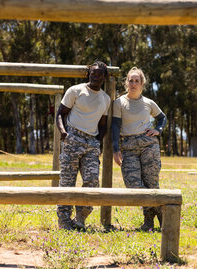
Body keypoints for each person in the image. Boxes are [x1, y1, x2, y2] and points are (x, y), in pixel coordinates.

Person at [55, 61, 111, 230]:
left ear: (104, 77)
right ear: (88, 74)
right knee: (67, 182)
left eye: (99, 73)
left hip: (91, 143)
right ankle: (64, 222)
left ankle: (80, 218)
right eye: (93, 73)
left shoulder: (106, 99)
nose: (95, 76)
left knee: (92, 180)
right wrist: (64, 133)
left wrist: (97, 142)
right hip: (73, 138)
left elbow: (103, 125)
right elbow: (60, 114)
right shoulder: (75, 90)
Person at [111, 67, 167, 231]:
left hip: (149, 145)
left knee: (151, 184)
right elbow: (115, 126)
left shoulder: (148, 103)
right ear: (126, 82)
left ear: (142, 84)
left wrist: (158, 130)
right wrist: (116, 149)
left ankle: (150, 223)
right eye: (131, 80)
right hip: (128, 146)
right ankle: (162, 210)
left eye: (137, 81)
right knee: (133, 185)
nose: (133, 83)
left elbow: (162, 118)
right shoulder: (119, 102)